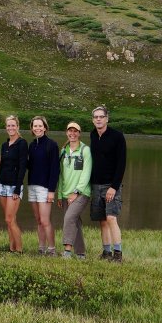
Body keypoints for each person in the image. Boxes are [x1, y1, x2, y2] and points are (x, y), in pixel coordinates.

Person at [89, 105, 127, 262]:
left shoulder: (117, 136)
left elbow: (122, 163)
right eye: (96, 117)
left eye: (101, 117)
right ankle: (106, 253)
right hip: (96, 185)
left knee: (111, 218)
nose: (98, 119)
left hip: (111, 185)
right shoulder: (93, 135)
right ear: (93, 120)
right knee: (102, 221)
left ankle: (118, 254)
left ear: (107, 118)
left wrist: (114, 186)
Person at [0, 115, 29, 253]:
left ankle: (19, 250)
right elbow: (2, 167)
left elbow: (22, 167)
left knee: (9, 219)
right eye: (8, 126)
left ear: (17, 127)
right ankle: (11, 248)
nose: (11, 128)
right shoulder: (4, 145)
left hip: (14, 187)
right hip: (2, 186)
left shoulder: (22, 143)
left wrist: (18, 188)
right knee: (10, 219)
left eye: (13, 125)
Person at [56, 121, 91, 260]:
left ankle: (67, 251)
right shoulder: (63, 151)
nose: (72, 133)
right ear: (66, 133)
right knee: (75, 221)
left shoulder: (85, 150)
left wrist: (76, 192)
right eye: (70, 131)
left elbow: (86, 173)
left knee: (69, 218)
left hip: (81, 193)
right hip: (65, 193)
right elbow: (61, 175)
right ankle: (81, 253)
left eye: (75, 131)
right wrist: (60, 194)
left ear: (79, 133)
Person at [26, 116, 60, 255]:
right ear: (32, 128)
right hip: (32, 186)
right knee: (39, 220)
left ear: (45, 128)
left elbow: (55, 169)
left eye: (40, 126)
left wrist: (51, 191)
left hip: (45, 188)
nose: (37, 128)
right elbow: (30, 165)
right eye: (35, 126)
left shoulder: (51, 145)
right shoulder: (32, 145)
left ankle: (51, 249)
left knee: (45, 220)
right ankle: (41, 248)